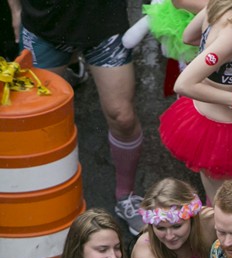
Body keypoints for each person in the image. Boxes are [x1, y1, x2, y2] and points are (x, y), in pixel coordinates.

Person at [15, 0, 145, 232]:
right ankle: (44, 196)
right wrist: (15, 11)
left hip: (104, 27)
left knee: (122, 116)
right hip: (44, 26)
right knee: (38, 120)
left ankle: (126, 195)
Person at [159, 0, 232, 204]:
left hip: (201, 120)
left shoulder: (216, 7)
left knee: (217, 203)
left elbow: (189, 36)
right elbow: (184, 84)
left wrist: (216, 49)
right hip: (222, 132)